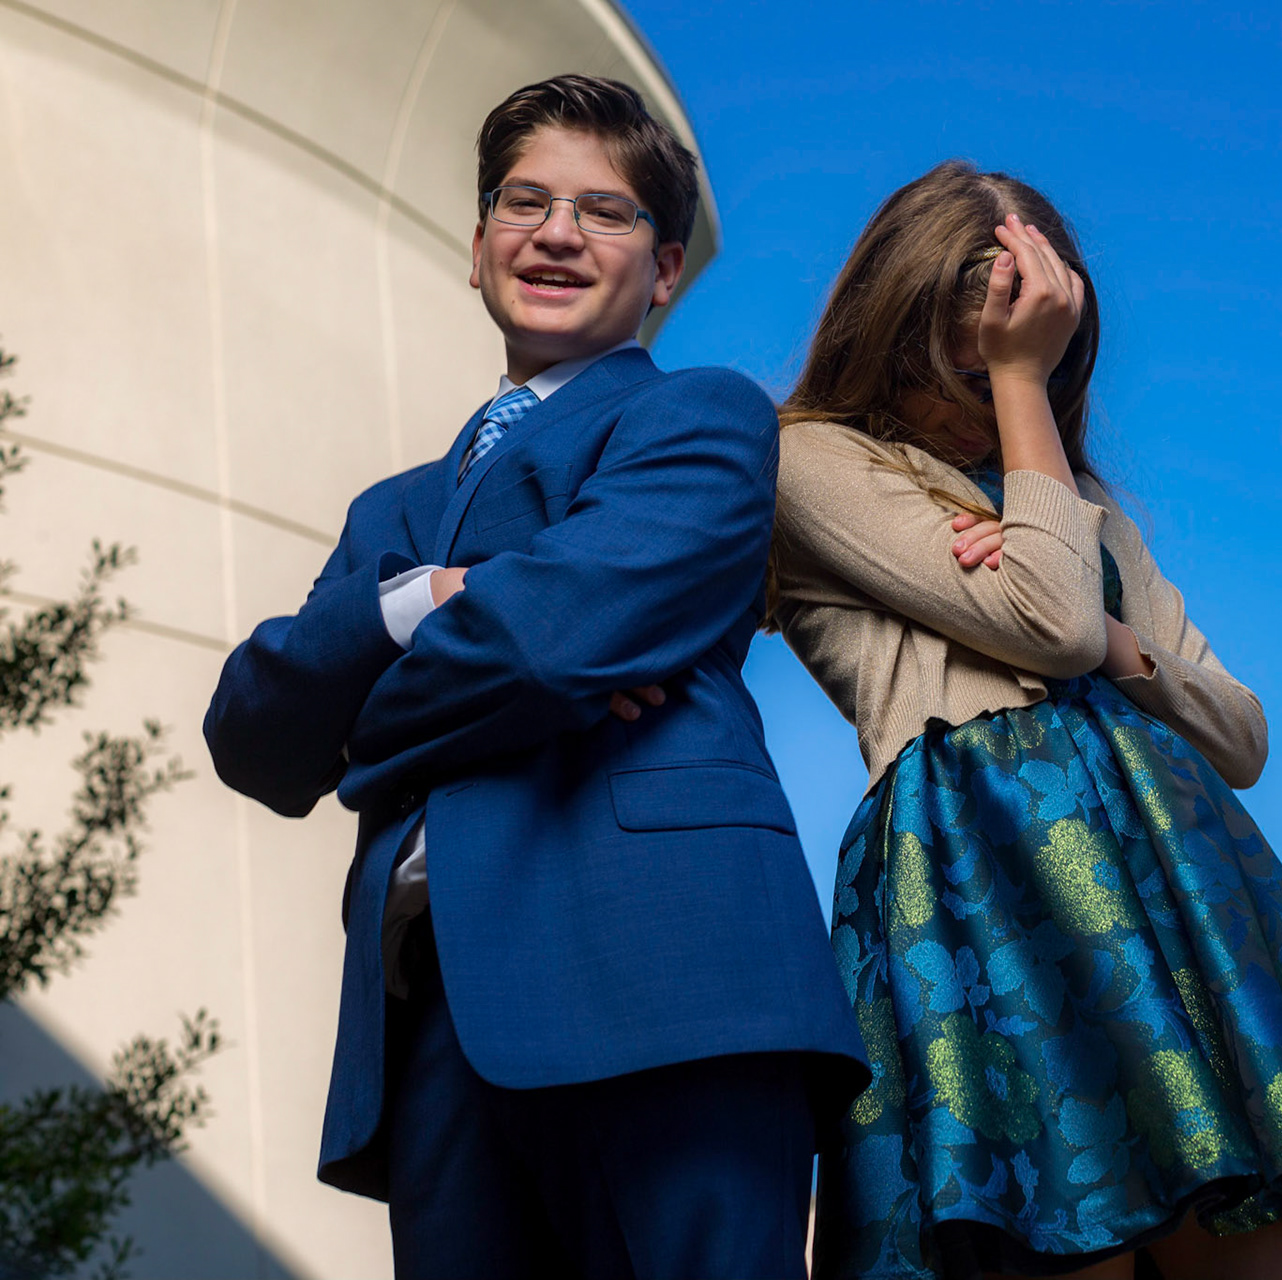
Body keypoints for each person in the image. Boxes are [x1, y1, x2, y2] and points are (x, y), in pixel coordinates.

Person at [203, 75, 865, 1280]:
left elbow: (548, 641)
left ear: (665, 270)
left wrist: (360, 724)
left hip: (673, 987)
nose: (557, 233)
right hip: (439, 1024)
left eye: (604, 212)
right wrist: (418, 597)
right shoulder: (390, 515)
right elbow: (251, 732)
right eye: (525, 202)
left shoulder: (703, 419)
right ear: (477, 250)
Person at [771, 161, 1282, 1279]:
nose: (978, 398)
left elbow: (1239, 735)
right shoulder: (812, 457)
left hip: (1170, 868)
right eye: (964, 362)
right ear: (890, 330)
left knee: (1266, 1238)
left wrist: (1114, 637)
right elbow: (1049, 624)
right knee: (1061, 1223)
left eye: (1020, 357)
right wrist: (1028, 417)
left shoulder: (1084, 507)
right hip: (980, 862)